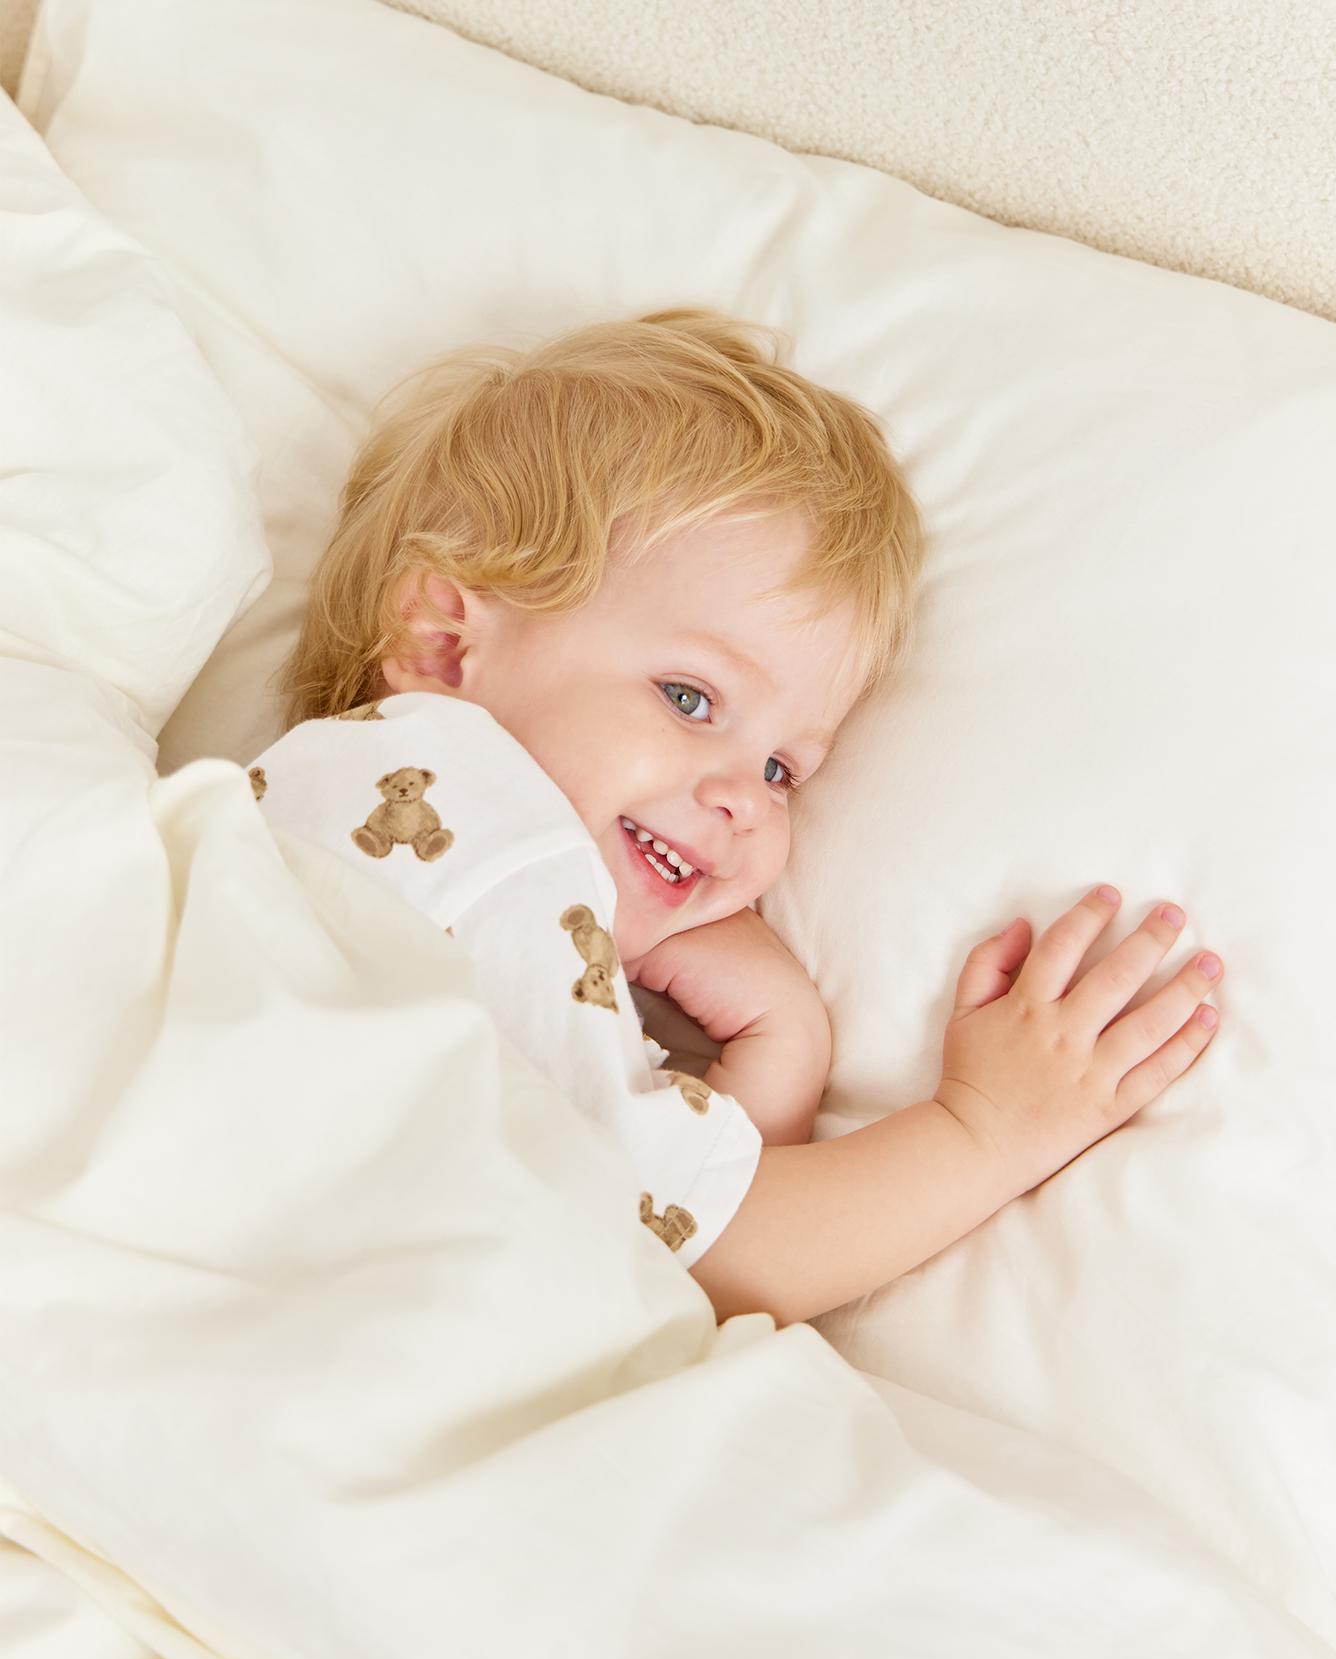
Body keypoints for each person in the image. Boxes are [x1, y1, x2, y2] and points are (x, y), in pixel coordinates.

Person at [256, 309, 1222, 1327]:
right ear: (447, 648)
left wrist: (779, 1048)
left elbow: (658, 1255)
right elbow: (720, 1263)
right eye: (689, 698)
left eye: (782, 768)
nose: (746, 800)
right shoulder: (462, 806)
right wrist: (988, 1129)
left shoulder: (425, 889)